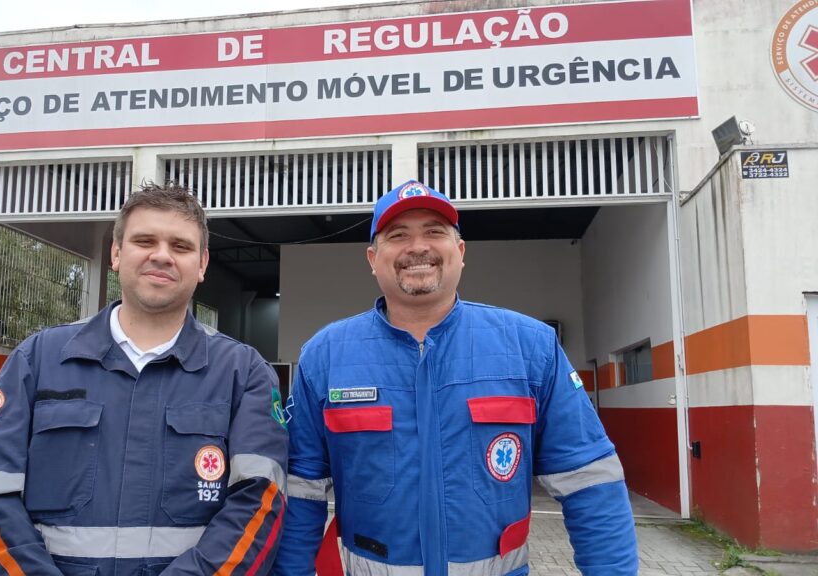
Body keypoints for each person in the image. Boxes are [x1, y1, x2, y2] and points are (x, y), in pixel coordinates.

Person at [273, 180, 638, 576]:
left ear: (460, 252)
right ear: (373, 258)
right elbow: (299, 492)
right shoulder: (325, 355)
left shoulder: (531, 347)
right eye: (398, 235)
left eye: (434, 232)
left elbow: (591, 483)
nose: (418, 247)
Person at [0, 183, 288, 576]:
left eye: (181, 246)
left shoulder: (244, 372)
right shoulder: (37, 360)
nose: (162, 256)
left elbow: (259, 503)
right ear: (116, 253)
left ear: (202, 265)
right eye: (144, 240)